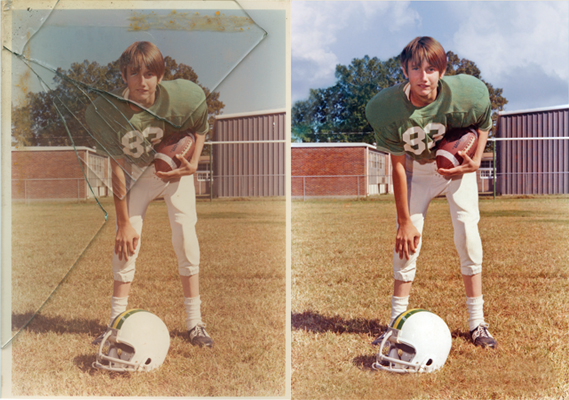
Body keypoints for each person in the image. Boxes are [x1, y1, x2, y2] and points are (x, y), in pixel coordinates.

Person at [365, 36, 496, 349]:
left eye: (431, 69)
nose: (424, 77)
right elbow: (396, 166)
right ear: (404, 70)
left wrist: (474, 161)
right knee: (405, 241)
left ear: (443, 70)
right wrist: (404, 221)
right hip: (418, 172)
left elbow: (484, 121)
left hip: (456, 171)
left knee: (467, 234)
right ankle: (396, 324)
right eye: (416, 68)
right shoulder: (386, 108)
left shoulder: (468, 92)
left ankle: (477, 323)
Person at [85, 41, 213, 347]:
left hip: (175, 171)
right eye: (134, 74)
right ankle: (116, 324)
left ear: (160, 75)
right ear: (124, 75)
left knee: (185, 235)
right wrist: (123, 222)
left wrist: (192, 164)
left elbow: (200, 127)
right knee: (125, 239)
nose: (142, 82)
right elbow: (116, 167)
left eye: (150, 74)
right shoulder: (109, 111)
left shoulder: (184, 96)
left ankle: (195, 323)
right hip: (142, 173)